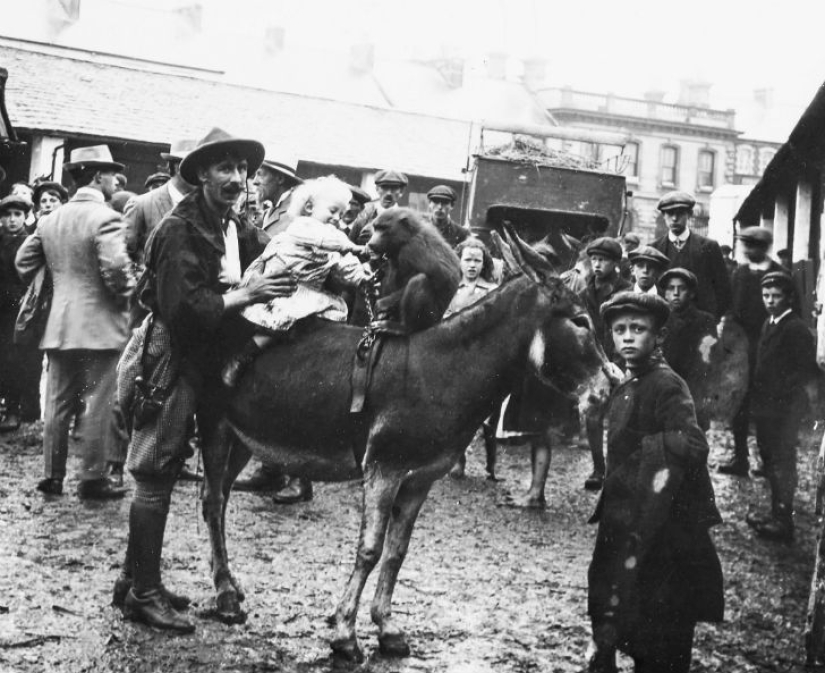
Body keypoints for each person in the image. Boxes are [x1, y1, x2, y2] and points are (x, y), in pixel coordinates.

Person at [115, 127, 296, 632]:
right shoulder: (181, 229)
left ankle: (132, 581)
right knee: (155, 471)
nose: (237, 179)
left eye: (242, 169)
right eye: (225, 169)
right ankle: (144, 595)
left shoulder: (229, 224)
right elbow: (182, 310)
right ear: (200, 174)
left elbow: (273, 253)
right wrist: (247, 294)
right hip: (171, 357)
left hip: (203, 358)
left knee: (166, 470)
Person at [586, 291, 723, 673]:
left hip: (660, 526)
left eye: (638, 329)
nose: (627, 337)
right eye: (619, 330)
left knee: (660, 624)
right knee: (613, 600)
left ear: (658, 336)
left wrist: (637, 462)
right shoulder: (629, 380)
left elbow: (693, 443)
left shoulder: (667, 384)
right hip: (624, 517)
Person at [15, 145, 135, 499]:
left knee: (58, 402)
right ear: (98, 176)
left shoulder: (52, 219)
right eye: (112, 173)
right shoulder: (107, 217)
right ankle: (92, 478)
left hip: (60, 323)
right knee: (98, 401)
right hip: (100, 324)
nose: (115, 179)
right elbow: (116, 270)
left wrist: (56, 284)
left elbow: (24, 261)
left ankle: (52, 476)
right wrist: (127, 292)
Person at [745, 272, 816, 542]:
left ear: (788, 297)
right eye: (766, 296)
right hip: (766, 408)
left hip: (784, 410)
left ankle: (783, 521)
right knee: (770, 460)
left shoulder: (795, 328)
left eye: (776, 296)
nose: (770, 301)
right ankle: (776, 513)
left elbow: (802, 372)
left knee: (781, 462)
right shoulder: (769, 323)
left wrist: (782, 400)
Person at [719, 226, 785, 476]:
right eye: (745, 245)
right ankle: (740, 458)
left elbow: (791, 315)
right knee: (739, 405)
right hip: (741, 351)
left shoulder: (780, 274)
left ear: (764, 247)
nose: (748, 250)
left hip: (770, 350)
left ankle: (768, 462)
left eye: (753, 245)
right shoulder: (740, 273)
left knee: (767, 407)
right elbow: (730, 310)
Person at [578, 237, 631, 491]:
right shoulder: (584, 291)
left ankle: (619, 469)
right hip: (593, 362)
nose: (597, 264)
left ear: (615, 263)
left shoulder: (625, 290)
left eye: (604, 260)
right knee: (592, 417)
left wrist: (619, 362)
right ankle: (599, 468)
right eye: (594, 259)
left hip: (621, 360)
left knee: (622, 419)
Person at [443, 237, 498, 479]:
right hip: (455, 354)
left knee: (485, 413)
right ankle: (458, 460)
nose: (473, 265)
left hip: (482, 356)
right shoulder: (451, 288)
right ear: (459, 261)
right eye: (468, 260)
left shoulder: (492, 290)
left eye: (478, 260)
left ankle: (491, 464)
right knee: (456, 410)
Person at [651, 191, 731, 320]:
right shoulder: (654, 248)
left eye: (680, 213)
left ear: (689, 214)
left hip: (700, 324)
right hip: (664, 322)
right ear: (663, 216)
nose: (674, 218)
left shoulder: (709, 247)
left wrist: (713, 319)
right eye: (670, 214)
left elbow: (723, 289)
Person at [0, 195, 41, 430]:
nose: (12, 220)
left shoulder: (29, 242)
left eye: (17, 215)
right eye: (7, 215)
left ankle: (15, 409)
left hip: (19, 309)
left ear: (26, 217)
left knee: (15, 359)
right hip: (1, 310)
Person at [660, 268, 717, 431]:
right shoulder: (660, 320)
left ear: (691, 294)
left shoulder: (705, 321)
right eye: (671, 289)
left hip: (693, 393)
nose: (676, 293)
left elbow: (705, 360)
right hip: (664, 391)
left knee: (693, 444)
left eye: (682, 288)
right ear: (665, 294)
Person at [123, 138, 197, 265]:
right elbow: (125, 253)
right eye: (196, 167)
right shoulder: (141, 205)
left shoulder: (205, 205)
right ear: (178, 167)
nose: (203, 175)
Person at [348, 169, 407, 246]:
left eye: (394, 188)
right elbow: (350, 245)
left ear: (401, 192)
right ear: (377, 189)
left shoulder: (404, 220)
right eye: (384, 187)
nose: (389, 193)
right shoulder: (365, 216)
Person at [255, 154, 302, 237]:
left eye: (260, 174)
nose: (254, 181)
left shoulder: (294, 213)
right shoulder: (268, 212)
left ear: (280, 179)